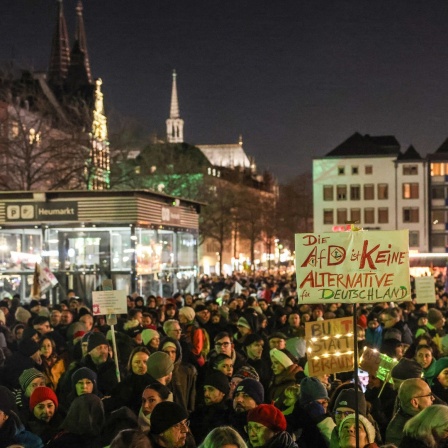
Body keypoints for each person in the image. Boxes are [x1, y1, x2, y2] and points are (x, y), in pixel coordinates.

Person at [385, 378, 435, 446]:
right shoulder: (401, 435)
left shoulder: (417, 421)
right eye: (429, 395)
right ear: (415, 402)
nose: (433, 398)